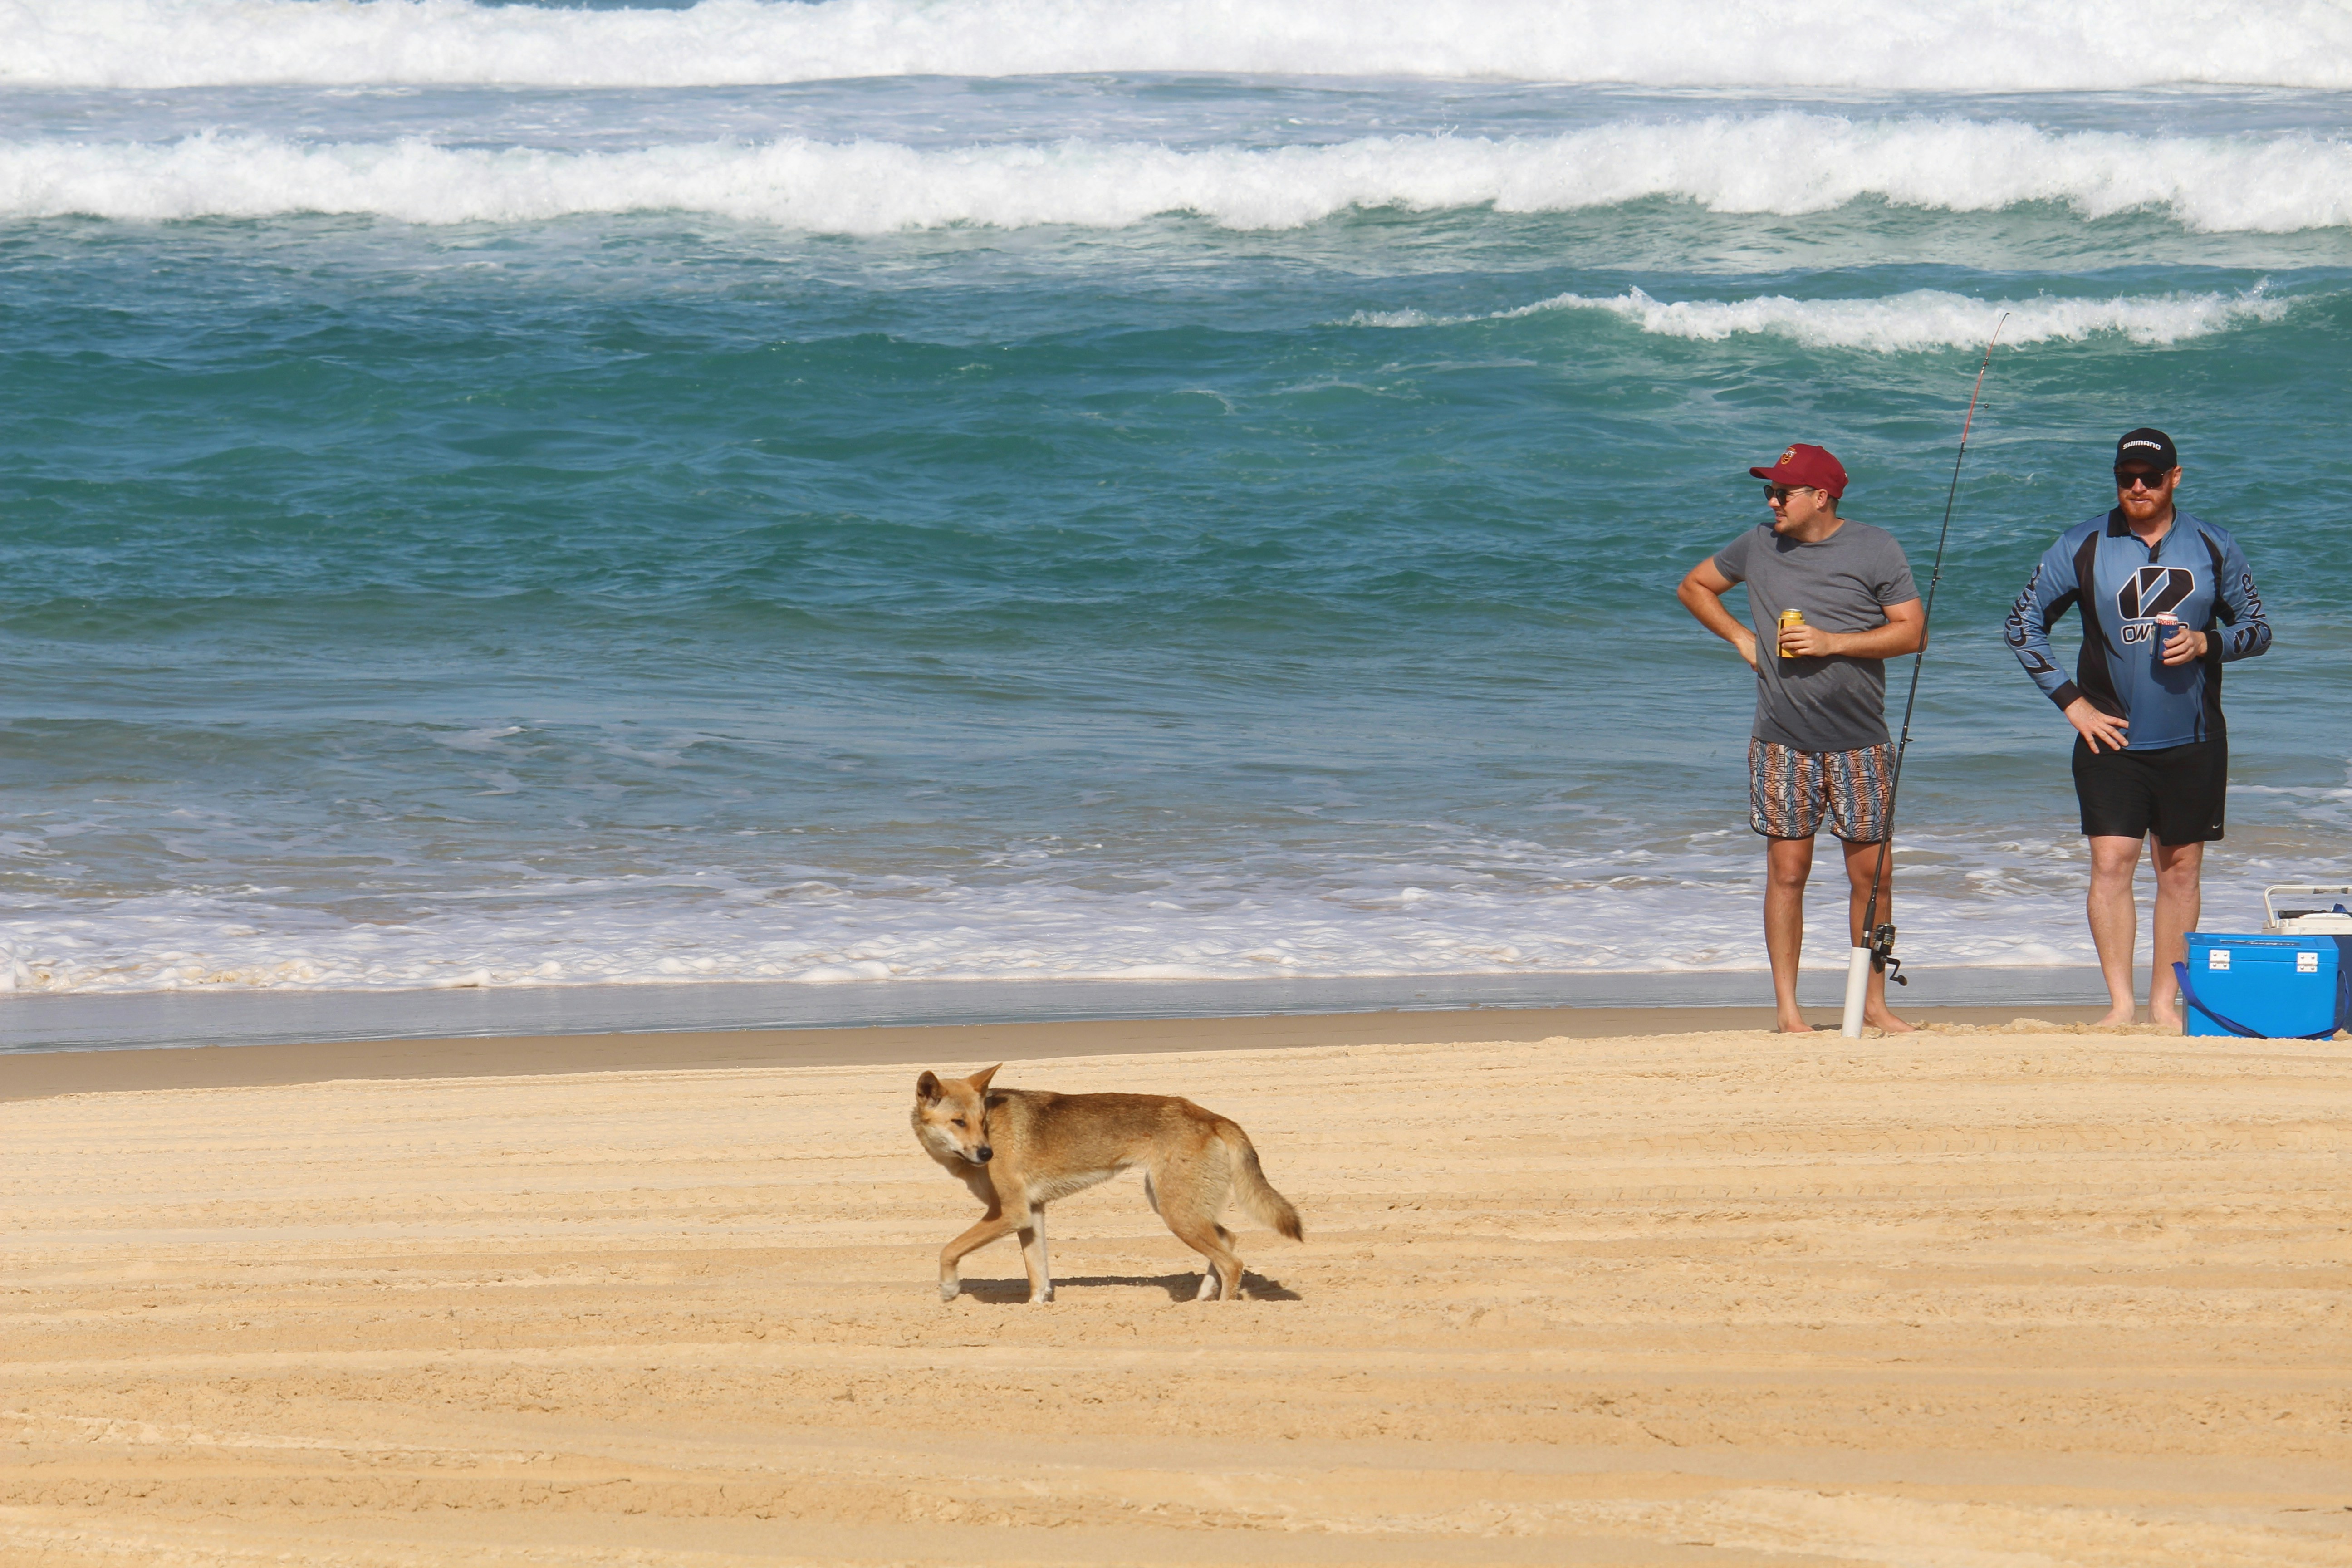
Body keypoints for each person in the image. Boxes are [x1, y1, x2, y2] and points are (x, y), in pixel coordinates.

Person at [2004, 427, 2272, 1028]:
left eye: (2152, 477)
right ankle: (2121, 1006)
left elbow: (2258, 629)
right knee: (2112, 863)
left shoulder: (2213, 544)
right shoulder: (2082, 545)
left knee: (2179, 870)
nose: (2139, 487)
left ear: (2176, 477)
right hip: (2111, 737)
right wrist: (2072, 704)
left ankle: (2163, 1006)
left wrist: (2210, 642)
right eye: (2128, 478)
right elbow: (2022, 627)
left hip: (2194, 739)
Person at [1678, 443, 1926, 1034]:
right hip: (1781, 739)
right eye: (1770, 491)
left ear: (1821, 497)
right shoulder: (1759, 545)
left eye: (1782, 492)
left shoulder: (1875, 547)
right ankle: (1789, 1012)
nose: (1772, 501)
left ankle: (1873, 1005)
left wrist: (1832, 643)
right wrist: (1744, 641)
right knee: (1788, 872)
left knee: (1875, 877)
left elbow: (1912, 633)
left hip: (1861, 738)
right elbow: (1695, 587)